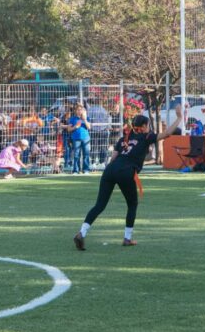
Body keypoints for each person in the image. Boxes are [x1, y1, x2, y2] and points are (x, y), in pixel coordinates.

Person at [73, 106, 185, 250]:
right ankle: (127, 238)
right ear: (143, 127)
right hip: (126, 172)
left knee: (99, 205)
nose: (148, 128)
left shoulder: (123, 139)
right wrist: (179, 117)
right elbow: (167, 133)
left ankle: (82, 232)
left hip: (110, 170)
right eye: (147, 126)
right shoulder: (146, 137)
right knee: (132, 204)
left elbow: (113, 158)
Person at [69, 104, 92, 175]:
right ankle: (76, 170)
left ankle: (86, 170)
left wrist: (84, 119)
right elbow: (69, 129)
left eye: (81, 110)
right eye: (78, 110)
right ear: (75, 111)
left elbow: (89, 127)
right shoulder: (72, 119)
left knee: (86, 154)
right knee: (76, 155)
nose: (79, 111)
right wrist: (75, 127)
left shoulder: (86, 118)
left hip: (86, 138)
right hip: (76, 138)